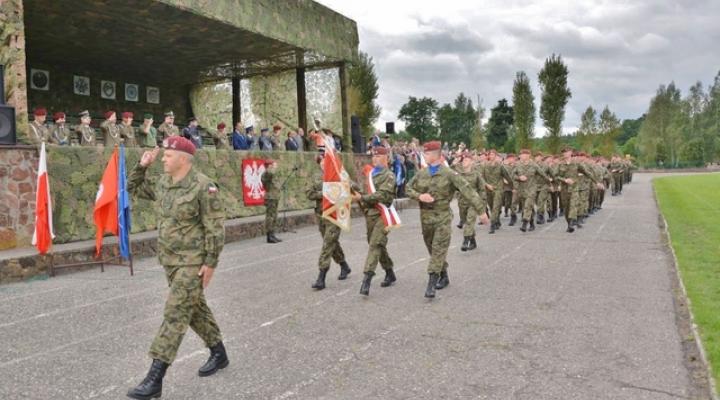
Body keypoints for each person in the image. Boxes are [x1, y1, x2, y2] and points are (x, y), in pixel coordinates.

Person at [126, 136, 228, 399]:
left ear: (184, 158)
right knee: (194, 309)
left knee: (175, 313)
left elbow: (215, 229)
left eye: (167, 155)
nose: (163, 158)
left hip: (192, 263)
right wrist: (142, 165)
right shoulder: (163, 183)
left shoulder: (204, 186)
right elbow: (133, 187)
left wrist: (210, 263)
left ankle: (155, 378)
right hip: (170, 261)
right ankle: (219, 352)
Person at [406, 141, 487, 298]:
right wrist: (419, 196)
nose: (424, 156)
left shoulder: (449, 173)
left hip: (442, 217)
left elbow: (468, 190)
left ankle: (431, 284)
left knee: (438, 249)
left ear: (435, 155)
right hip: (425, 219)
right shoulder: (422, 173)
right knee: (432, 249)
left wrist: (481, 211)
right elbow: (408, 188)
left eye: (427, 153)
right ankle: (444, 275)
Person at [352, 146, 397, 296]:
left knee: (375, 244)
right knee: (378, 244)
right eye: (373, 156)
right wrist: (354, 189)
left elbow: (383, 195)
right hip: (370, 215)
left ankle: (367, 278)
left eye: (378, 156)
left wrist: (362, 198)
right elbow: (365, 193)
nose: (375, 158)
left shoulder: (389, 176)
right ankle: (390, 271)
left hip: (383, 215)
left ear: (386, 158)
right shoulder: (370, 174)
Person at [306, 155, 351, 290]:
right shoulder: (315, 177)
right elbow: (309, 193)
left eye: (326, 162)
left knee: (328, 243)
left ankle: (321, 277)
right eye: (321, 162)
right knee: (331, 242)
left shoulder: (339, 175)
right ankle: (344, 265)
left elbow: (349, 186)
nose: (323, 164)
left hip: (335, 213)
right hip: (321, 215)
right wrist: (325, 193)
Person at [454, 152, 489, 251]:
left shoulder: (476, 174)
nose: (464, 162)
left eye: (466, 160)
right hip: (462, 201)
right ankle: (473, 241)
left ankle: (466, 241)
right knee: (466, 221)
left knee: (470, 220)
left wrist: (482, 204)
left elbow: (482, 189)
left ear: (472, 162)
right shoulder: (458, 173)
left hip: (474, 201)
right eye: (463, 160)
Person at [512, 149, 550, 232]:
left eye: (524, 154)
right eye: (521, 154)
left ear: (528, 155)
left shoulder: (534, 165)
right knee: (530, 207)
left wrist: (551, 185)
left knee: (527, 206)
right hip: (522, 190)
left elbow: (543, 175)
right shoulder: (517, 165)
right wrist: (519, 178)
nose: (522, 156)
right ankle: (532, 223)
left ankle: (524, 223)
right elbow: (512, 175)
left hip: (532, 189)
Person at [261, 160, 282, 244]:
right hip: (270, 198)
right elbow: (269, 173)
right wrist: (271, 167)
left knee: (274, 216)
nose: (275, 165)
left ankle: (273, 234)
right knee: (270, 217)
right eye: (273, 164)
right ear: (269, 166)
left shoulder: (271, 173)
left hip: (275, 197)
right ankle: (269, 235)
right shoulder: (266, 173)